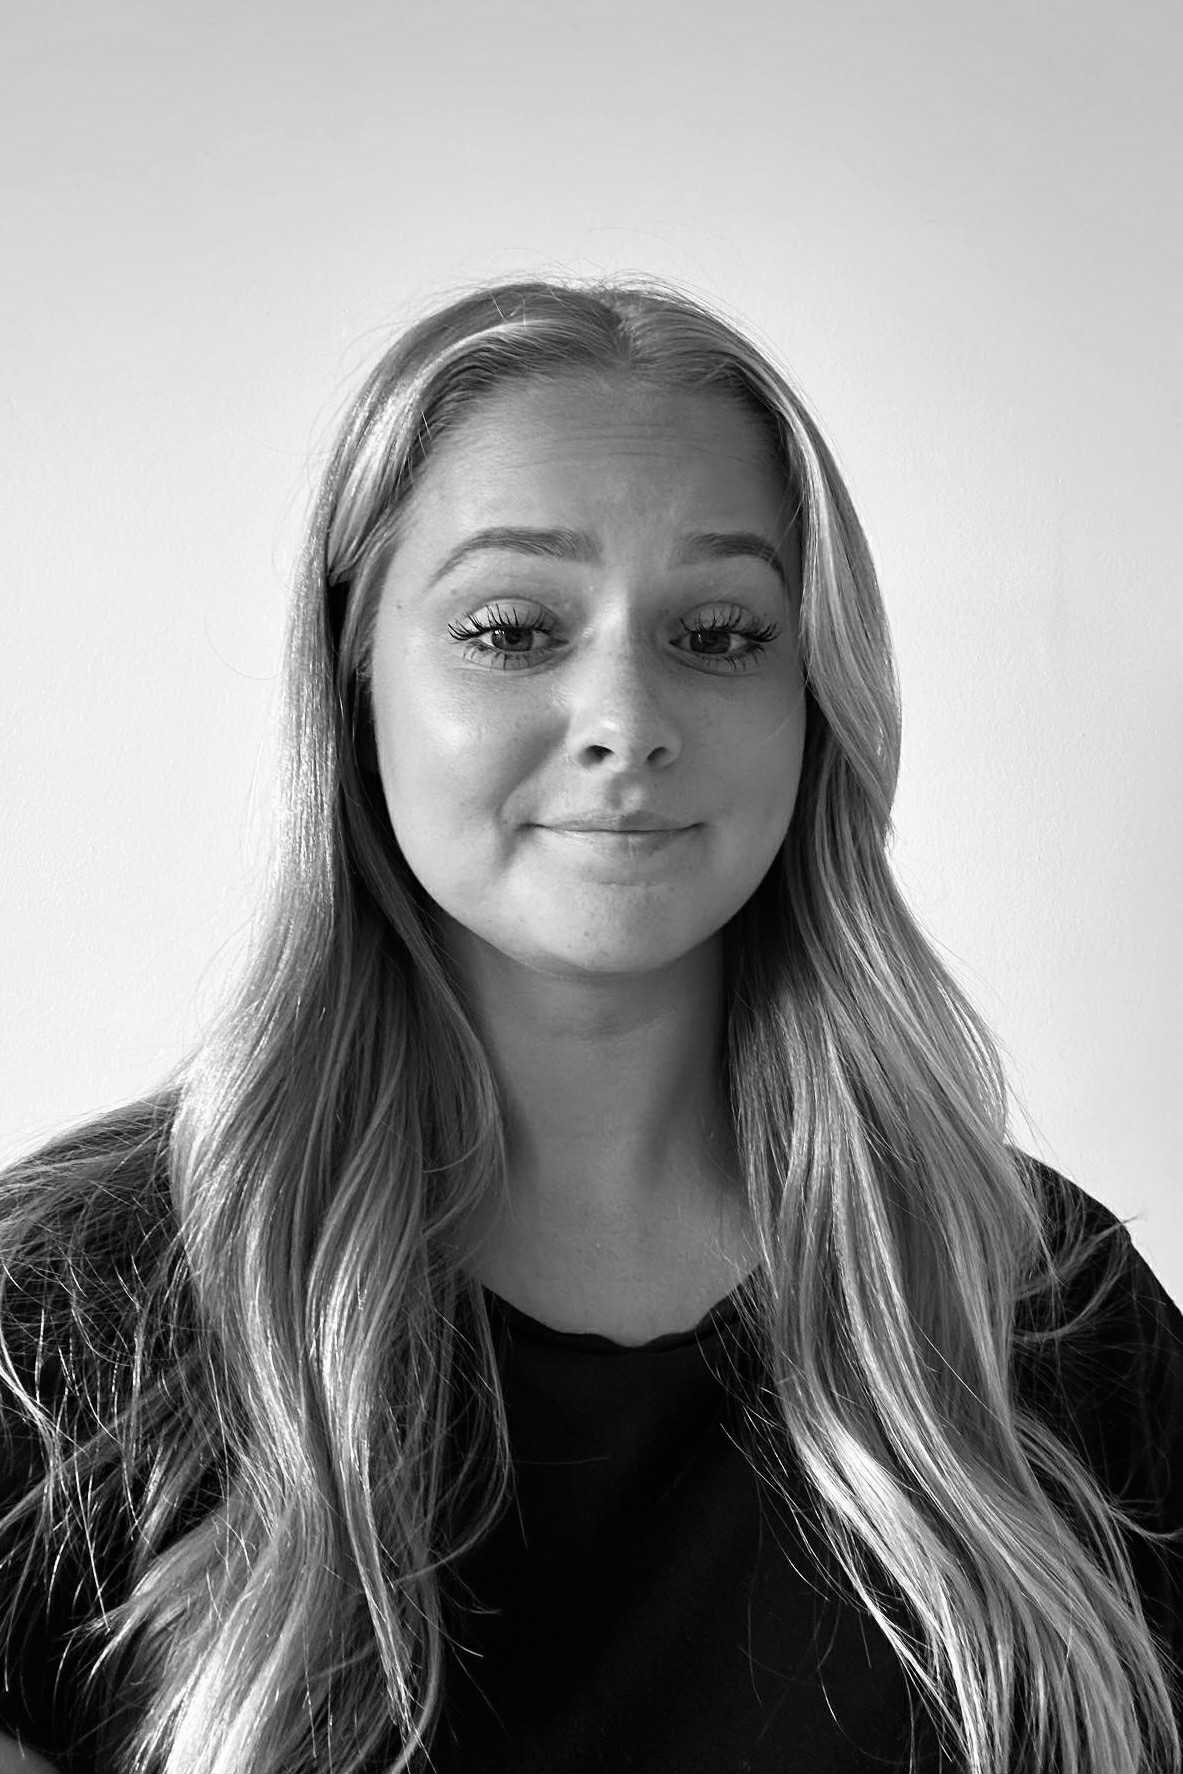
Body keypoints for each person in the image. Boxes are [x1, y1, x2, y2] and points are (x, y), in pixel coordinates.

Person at [0, 274, 1179, 1774]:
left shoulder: (1046, 1310)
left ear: (816, 694)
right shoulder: (63, 1322)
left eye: (720, 631)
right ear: (354, 672)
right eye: (512, 628)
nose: (626, 718)